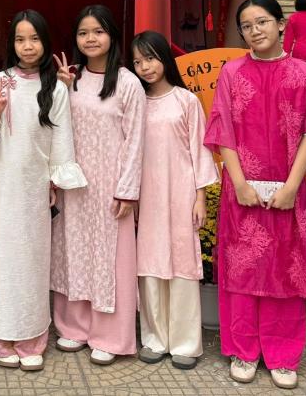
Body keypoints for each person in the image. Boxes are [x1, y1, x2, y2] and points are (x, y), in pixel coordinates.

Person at [204, 0, 306, 391]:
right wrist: (238, 183)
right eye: (246, 25)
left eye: (261, 22)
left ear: (280, 24)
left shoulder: (304, 75)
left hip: (288, 188)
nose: (254, 30)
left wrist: (293, 187)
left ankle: (283, 354)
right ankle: (243, 350)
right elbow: (223, 130)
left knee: (287, 272)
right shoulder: (232, 73)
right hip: (242, 188)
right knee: (242, 269)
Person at [0, 9, 86, 372]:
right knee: (1, 258)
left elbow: (63, 138)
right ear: (12, 44)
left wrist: (55, 181)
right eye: (21, 39)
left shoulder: (55, 88)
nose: (28, 46)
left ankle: (31, 336)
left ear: (45, 42)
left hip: (34, 187)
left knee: (32, 260)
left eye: (35, 39)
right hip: (0, 184)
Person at [51, 5, 144, 366]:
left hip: (110, 185)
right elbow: (56, 130)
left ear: (111, 36)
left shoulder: (128, 82)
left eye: (98, 32)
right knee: (73, 250)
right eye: (83, 33)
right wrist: (62, 90)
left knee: (109, 258)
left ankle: (110, 335)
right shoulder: (69, 78)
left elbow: (136, 140)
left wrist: (128, 190)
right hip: (74, 183)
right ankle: (74, 327)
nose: (91, 39)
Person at [132, 30, 218, 371]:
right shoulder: (135, 101)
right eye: (138, 61)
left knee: (182, 265)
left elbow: (199, 150)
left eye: (150, 58)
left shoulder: (186, 101)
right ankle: (154, 338)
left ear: (165, 58)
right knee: (150, 264)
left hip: (181, 192)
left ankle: (185, 342)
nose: (145, 67)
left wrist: (200, 198)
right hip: (145, 195)